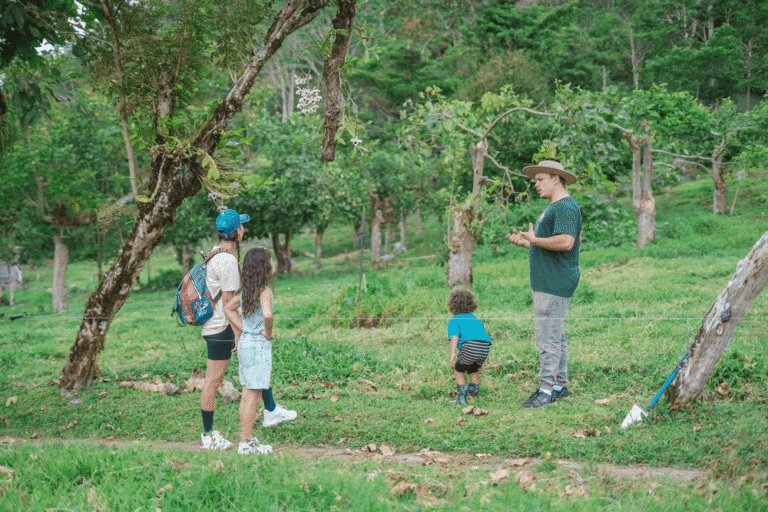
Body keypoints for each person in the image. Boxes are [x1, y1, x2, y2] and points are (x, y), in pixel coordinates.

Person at [507, 159, 582, 408]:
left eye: (540, 179)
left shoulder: (565, 207)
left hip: (554, 281)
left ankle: (546, 390)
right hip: (549, 279)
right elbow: (550, 246)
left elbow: (566, 242)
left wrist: (536, 240)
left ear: (555, 178)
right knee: (555, 335)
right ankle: (559, 386)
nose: (536, 185)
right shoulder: (554, 207)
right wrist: (528, 243)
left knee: (547, 337)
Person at [225, 247, 297, 455]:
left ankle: (244, 441)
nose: (273, 264)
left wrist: (242, 328)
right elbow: (267, 315)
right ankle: (247, 443)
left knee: (247, 395)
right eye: (271, 261)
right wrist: (269, 332)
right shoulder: (264, 291)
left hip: (246, 343)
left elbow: (228, 308)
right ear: (264, 267)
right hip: (258, 345)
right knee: (254, 397)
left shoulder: (245, 291)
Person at [199, 208, 248, 450]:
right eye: (242, 226)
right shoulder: (227, 261)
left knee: (214, 379)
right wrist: (239, 332)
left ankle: (209, 433)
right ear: (236, 231)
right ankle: (208, 435)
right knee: (213, 380)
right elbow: (230, 303)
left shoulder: (214, 253)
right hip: (221, 327)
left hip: (215, 325)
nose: (244, 229)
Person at [446, 287, 492, 404]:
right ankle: (473, 398)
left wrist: (452, 354)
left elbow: (454, 337)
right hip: (484, 348)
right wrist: (481, 363)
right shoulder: (475, 319)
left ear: (452, 304)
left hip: (470, 346)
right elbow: (482, 338)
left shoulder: (455, 320)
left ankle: (461, 399)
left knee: (459, 370)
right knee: (473, 370)